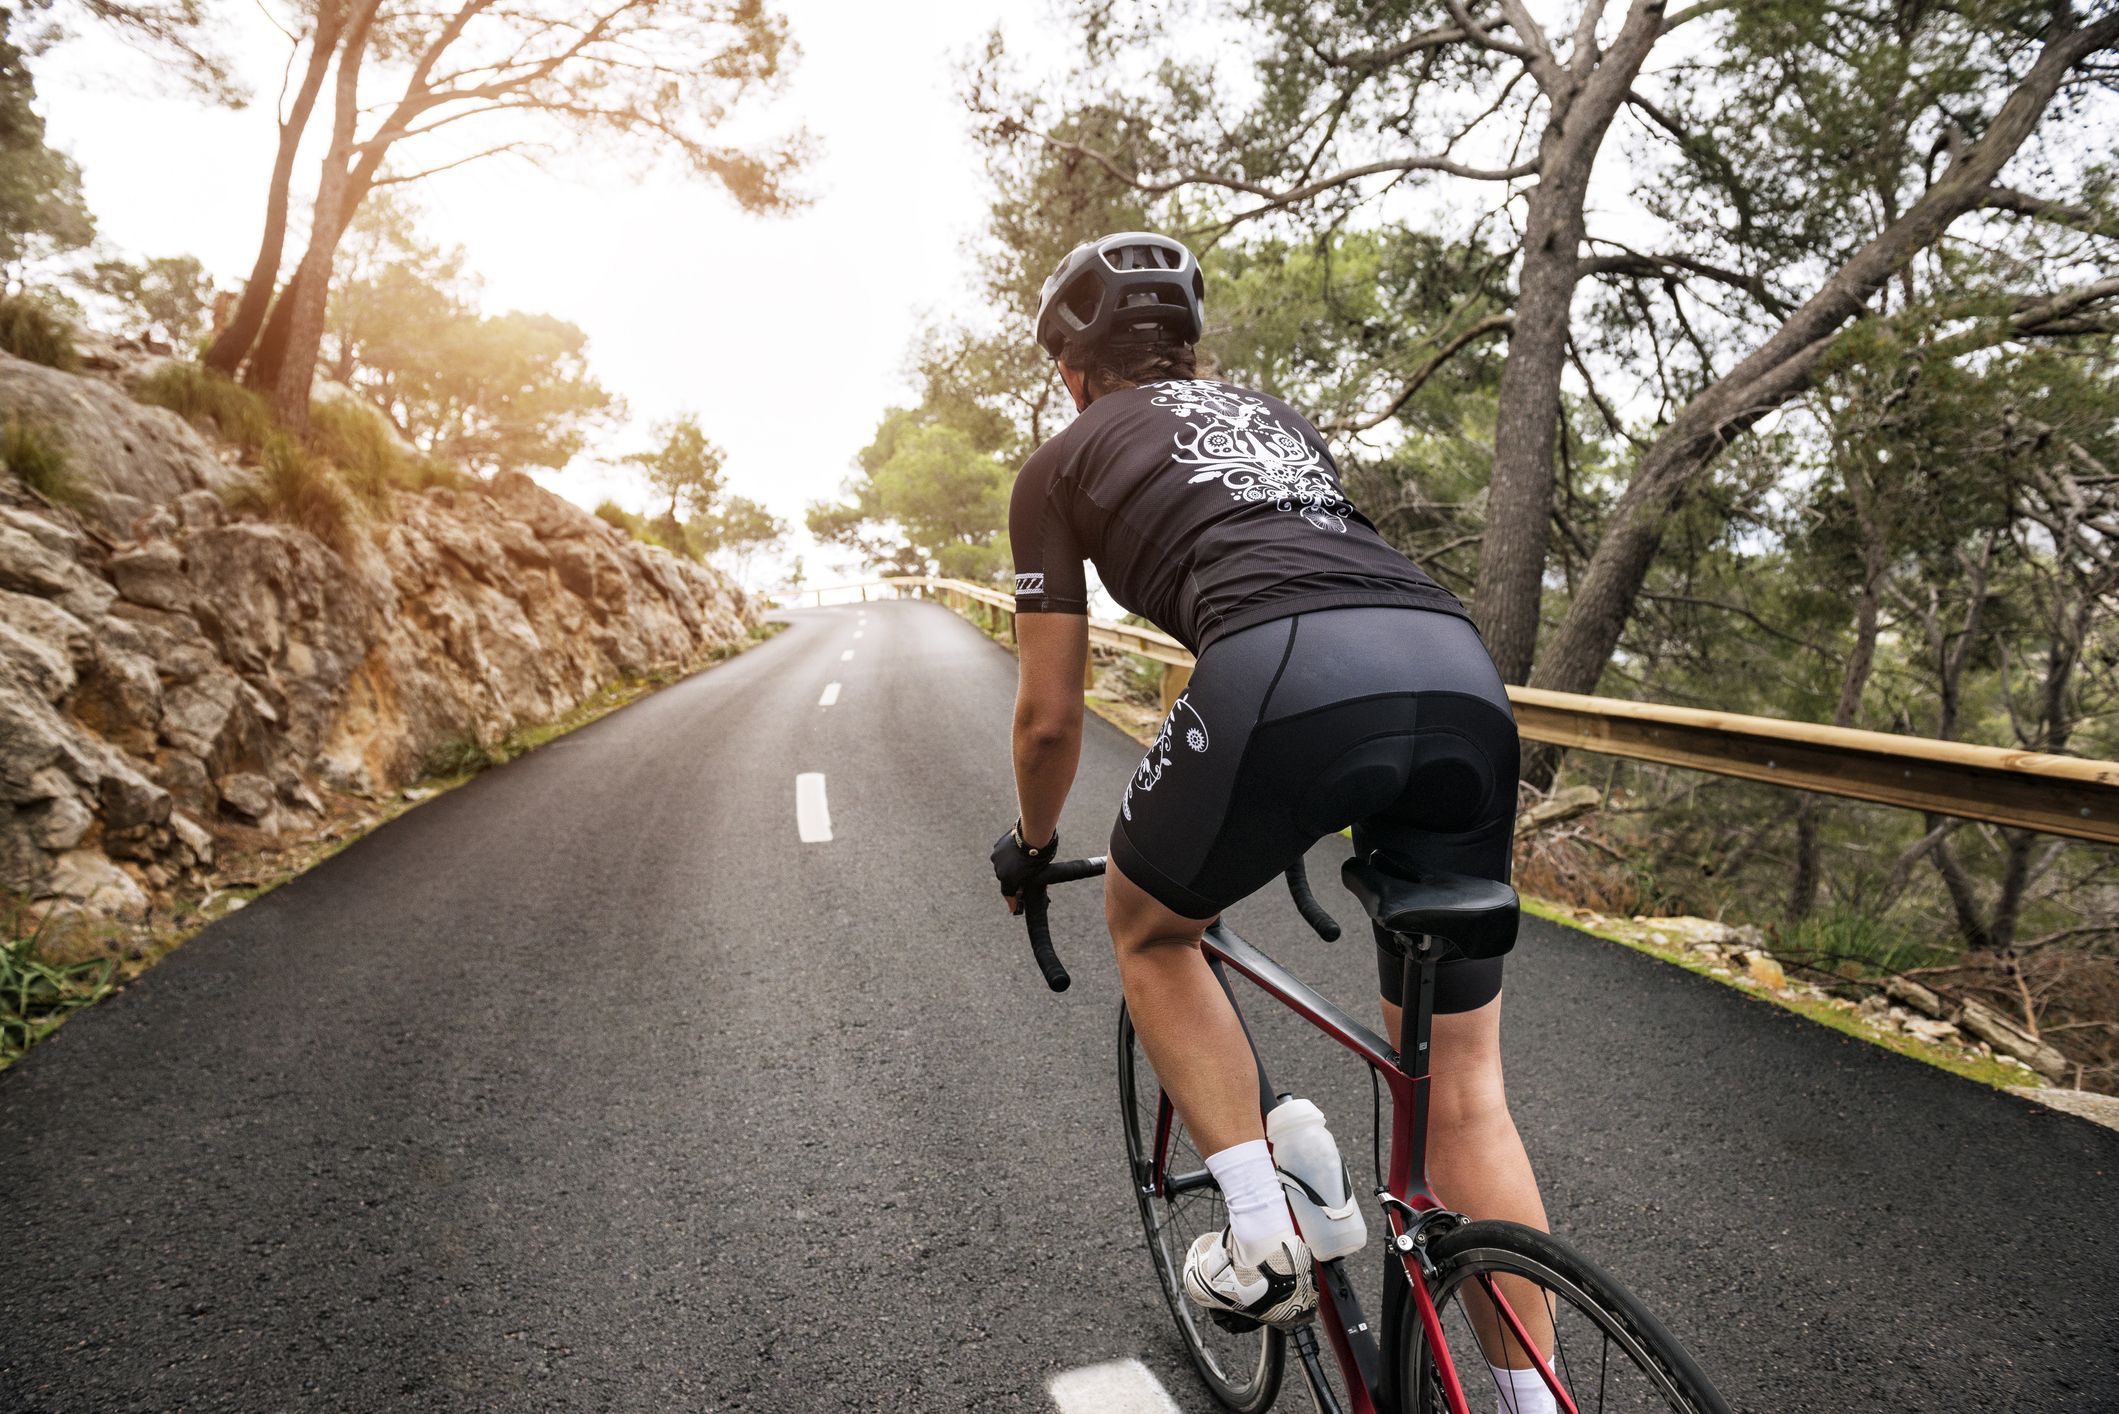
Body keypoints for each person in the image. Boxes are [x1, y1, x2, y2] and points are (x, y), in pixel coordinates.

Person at [989, 232, 1550, 1349]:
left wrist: (1031, 841)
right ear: (1190, 354)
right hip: (1456, 670)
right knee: (1464, 1092)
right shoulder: (1284, 421)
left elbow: (1051, 715)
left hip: (1285, 676)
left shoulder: (1056, 466)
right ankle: (1536, 1395)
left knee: (1150, 928)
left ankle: (1261, 1239)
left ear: (1069, 369)